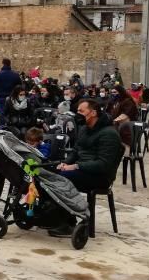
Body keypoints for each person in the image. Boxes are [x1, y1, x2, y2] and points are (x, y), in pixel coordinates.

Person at [52, 98, 123, 237]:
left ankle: (69, 223)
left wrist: (76, 166)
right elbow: (75, 151)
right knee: (50, 174)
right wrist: (65, 163)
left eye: (81, 111)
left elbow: (103, 165)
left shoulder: (109, 134)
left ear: (93, 113)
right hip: (82, 170)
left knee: (62, 179)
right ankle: (53, 217)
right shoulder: (84, 129)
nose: (77, 114)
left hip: (100, 177)